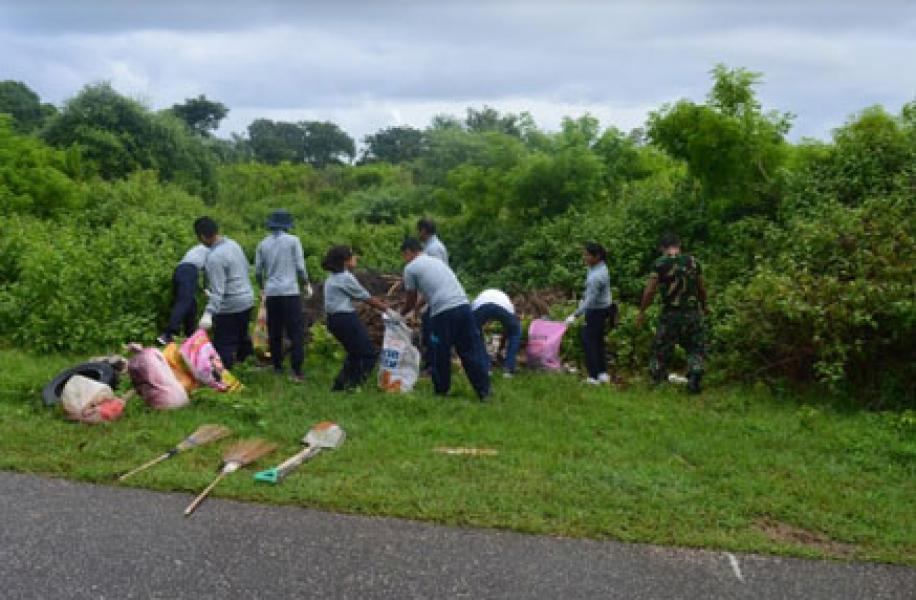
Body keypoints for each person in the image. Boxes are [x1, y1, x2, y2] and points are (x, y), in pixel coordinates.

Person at [399, 238, 491, 401]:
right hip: (463, 307)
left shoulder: (410, 268)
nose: (404, 259)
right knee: (469, 350)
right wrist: (418, 308)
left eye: (403, 255)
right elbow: (435, 290)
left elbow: (411, 298)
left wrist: (400, 314)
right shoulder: (436, 262)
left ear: (408, 252)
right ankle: (484, 392)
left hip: (443, 313)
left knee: (440, 352)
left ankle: (442, 391)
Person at [636, 232, 708, 394]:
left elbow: (650, 290)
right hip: (692, 313)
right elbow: (701, 288)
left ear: (662, 247)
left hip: (671, 314)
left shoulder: (660, 264)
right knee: (695, 347)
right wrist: (704, 306)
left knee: (661, 348)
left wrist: (642, 310)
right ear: (679, 244)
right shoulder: (693, 262)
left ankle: (658, 379)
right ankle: (695, 372)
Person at [321, 245, 388, 391]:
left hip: (334, 320)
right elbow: (366, 297)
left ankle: (339, 385)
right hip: (345, 318)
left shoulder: (332, 278)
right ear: (345, 261)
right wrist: (388, 310)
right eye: (352, 256)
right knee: (369, 353)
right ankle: (355, 384)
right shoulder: (345, 278)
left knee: (354, 353)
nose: (355, 258)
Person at [194, 216, 255, 370]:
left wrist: (208, 313)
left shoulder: (214, 258)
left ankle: (224, 375)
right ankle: (246, 363)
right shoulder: (234, 244)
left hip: (231, 305)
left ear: (202, 237)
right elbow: (246, 268)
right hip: (247, 299)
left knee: (224, 342)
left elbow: (218, 290)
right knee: (242, 333)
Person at [254, 210, 308, 381]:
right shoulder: (293, 241)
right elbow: (300, 267)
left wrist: (263, 287)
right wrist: (306, 283)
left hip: (272, 292)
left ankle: (277, 366)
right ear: (287, 226)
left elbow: (257, 271)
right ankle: (297, 370)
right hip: (290, 292)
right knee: (295, 332)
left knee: (275, 331)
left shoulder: (263, 244)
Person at [565, 242, 613, 385]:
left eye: (587, 255)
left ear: (596, 256)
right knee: (598, 341)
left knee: (589, 341)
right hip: (603, 307)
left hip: (597, 310)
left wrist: (575, 314)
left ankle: (593, 377)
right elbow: (589, 294)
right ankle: (602, 373)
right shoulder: (599, 266)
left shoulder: (596, 276)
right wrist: (583, 298)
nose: (584, 257)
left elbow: (590, 301)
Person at [157, 243, 208, 345]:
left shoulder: (202, 248)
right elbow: (210, 271)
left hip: (180, 271)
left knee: (191, 305)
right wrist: (207, 287)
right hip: (188, 271)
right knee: (184, 302)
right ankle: (168, 333)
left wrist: (203, 287)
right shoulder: (213, 249)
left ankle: (191, 338)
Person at [416, 217, 448, 374]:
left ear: (423, 230)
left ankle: (432, 366)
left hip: (435, 300)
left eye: (419, 230)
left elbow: (436, 277)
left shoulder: (434, 249)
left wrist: (421, 302)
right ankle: (430, 364)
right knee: (429, 332)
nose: (418, 234)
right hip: (432, 299)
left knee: (432, 333)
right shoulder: (430, 247)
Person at [472, 288, 521, 378]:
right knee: (515, 333)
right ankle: (508, 370)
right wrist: (501, 348)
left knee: (476, 333)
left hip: (481, 306)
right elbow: (509, 329)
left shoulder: (480, 296)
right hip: (503, 307)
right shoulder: (507, 300)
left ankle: (486, 368)